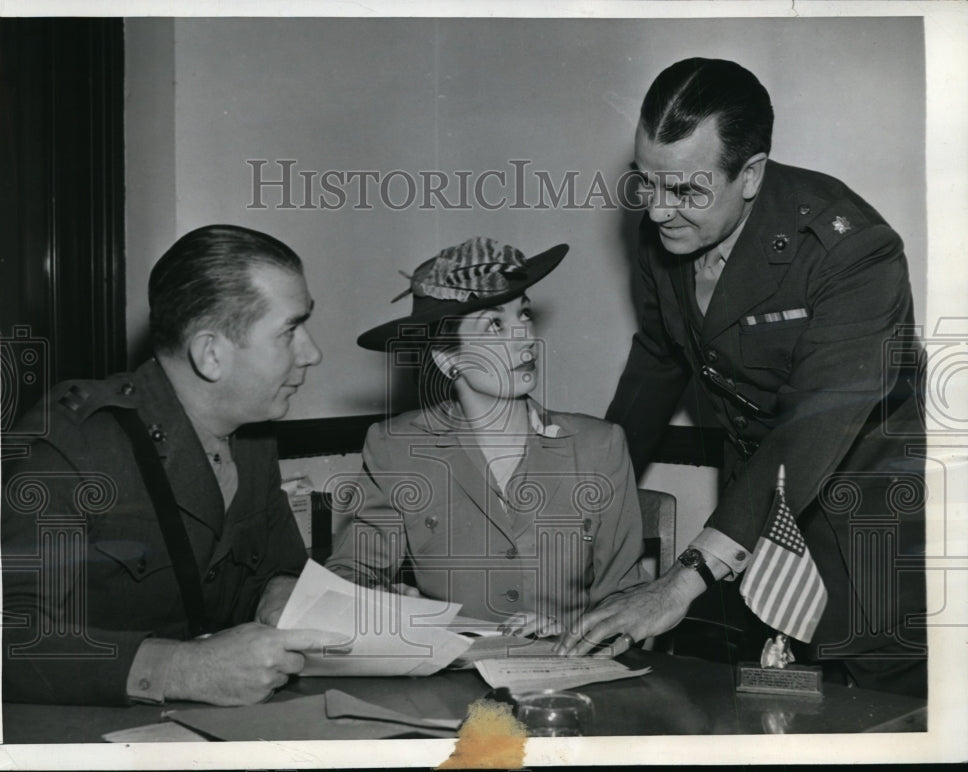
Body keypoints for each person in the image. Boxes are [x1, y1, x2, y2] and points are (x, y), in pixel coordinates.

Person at [556, 58, 927, 698]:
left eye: (687, 192)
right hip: (750, 513)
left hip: (859, 518)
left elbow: (811, 429)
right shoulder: (666, 236)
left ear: (750, 175)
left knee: (880, 710)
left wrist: (683, 577)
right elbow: (657, 361)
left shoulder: (852, 250)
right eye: (648, 184)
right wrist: (592, 502)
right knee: (771, 701)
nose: (658, 212)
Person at [1, 224, 346, 706]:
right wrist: (182, 669)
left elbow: (270, 574)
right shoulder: (72, 444)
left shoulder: (252, 436)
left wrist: (292, 598)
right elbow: (3, 639)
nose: (313, 353)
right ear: (210, 354)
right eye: (289, 331)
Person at [325, 237, 650, 638]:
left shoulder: (599, 446)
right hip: (447, 685)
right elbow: (351, 577)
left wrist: (569, 631)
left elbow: (626, 596)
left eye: (525, 314)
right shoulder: (396, 448)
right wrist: (395, 607)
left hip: (566, 684)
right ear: (448, 358)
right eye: (496, 324)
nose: (525, 338)